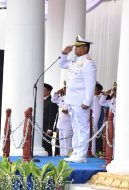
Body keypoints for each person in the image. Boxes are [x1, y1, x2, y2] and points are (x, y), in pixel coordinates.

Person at [60, 35, 96, 163]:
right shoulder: (75, 61)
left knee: (82, 127)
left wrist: (87, 101)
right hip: (72, 101)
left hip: (81, 102)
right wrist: (64, 53)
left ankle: (81, 155)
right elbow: (62, 64)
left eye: (78, 47)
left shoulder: (88, 63)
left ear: (85, 48)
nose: (75, 49)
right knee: (76, 128)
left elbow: (90, 84)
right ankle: (75, 152)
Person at [51, 85, 73, 156]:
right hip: (60, 124)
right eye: (65, 88)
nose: (65, 90)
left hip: (68, 123)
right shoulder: (62, 98)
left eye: (67, 88)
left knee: (67, 141)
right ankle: (62, 155)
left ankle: (68, 155)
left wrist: (68, 111)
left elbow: (75, 111)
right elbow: (53, 100)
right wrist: (58, 92)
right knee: (61, 141)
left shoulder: (73, 99)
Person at [43, 83, 58, 156]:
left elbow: (52, 115)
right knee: (43, 144)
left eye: (44, 90)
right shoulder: (43, 100)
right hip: (42, 126)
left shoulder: (51, 101)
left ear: (48, 91)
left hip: (47, 127)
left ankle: (49, 157)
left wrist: (50, 128)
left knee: (47, 145)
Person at [91, 82, 103, 156]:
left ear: (99, 91)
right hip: (91, 119)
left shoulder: (98, 98)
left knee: (94, 136)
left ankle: (93, 152)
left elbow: (96, 112)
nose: (94, 91)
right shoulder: (93, 97)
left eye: (95, 89)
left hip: (95, 119)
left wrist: (94, 123)